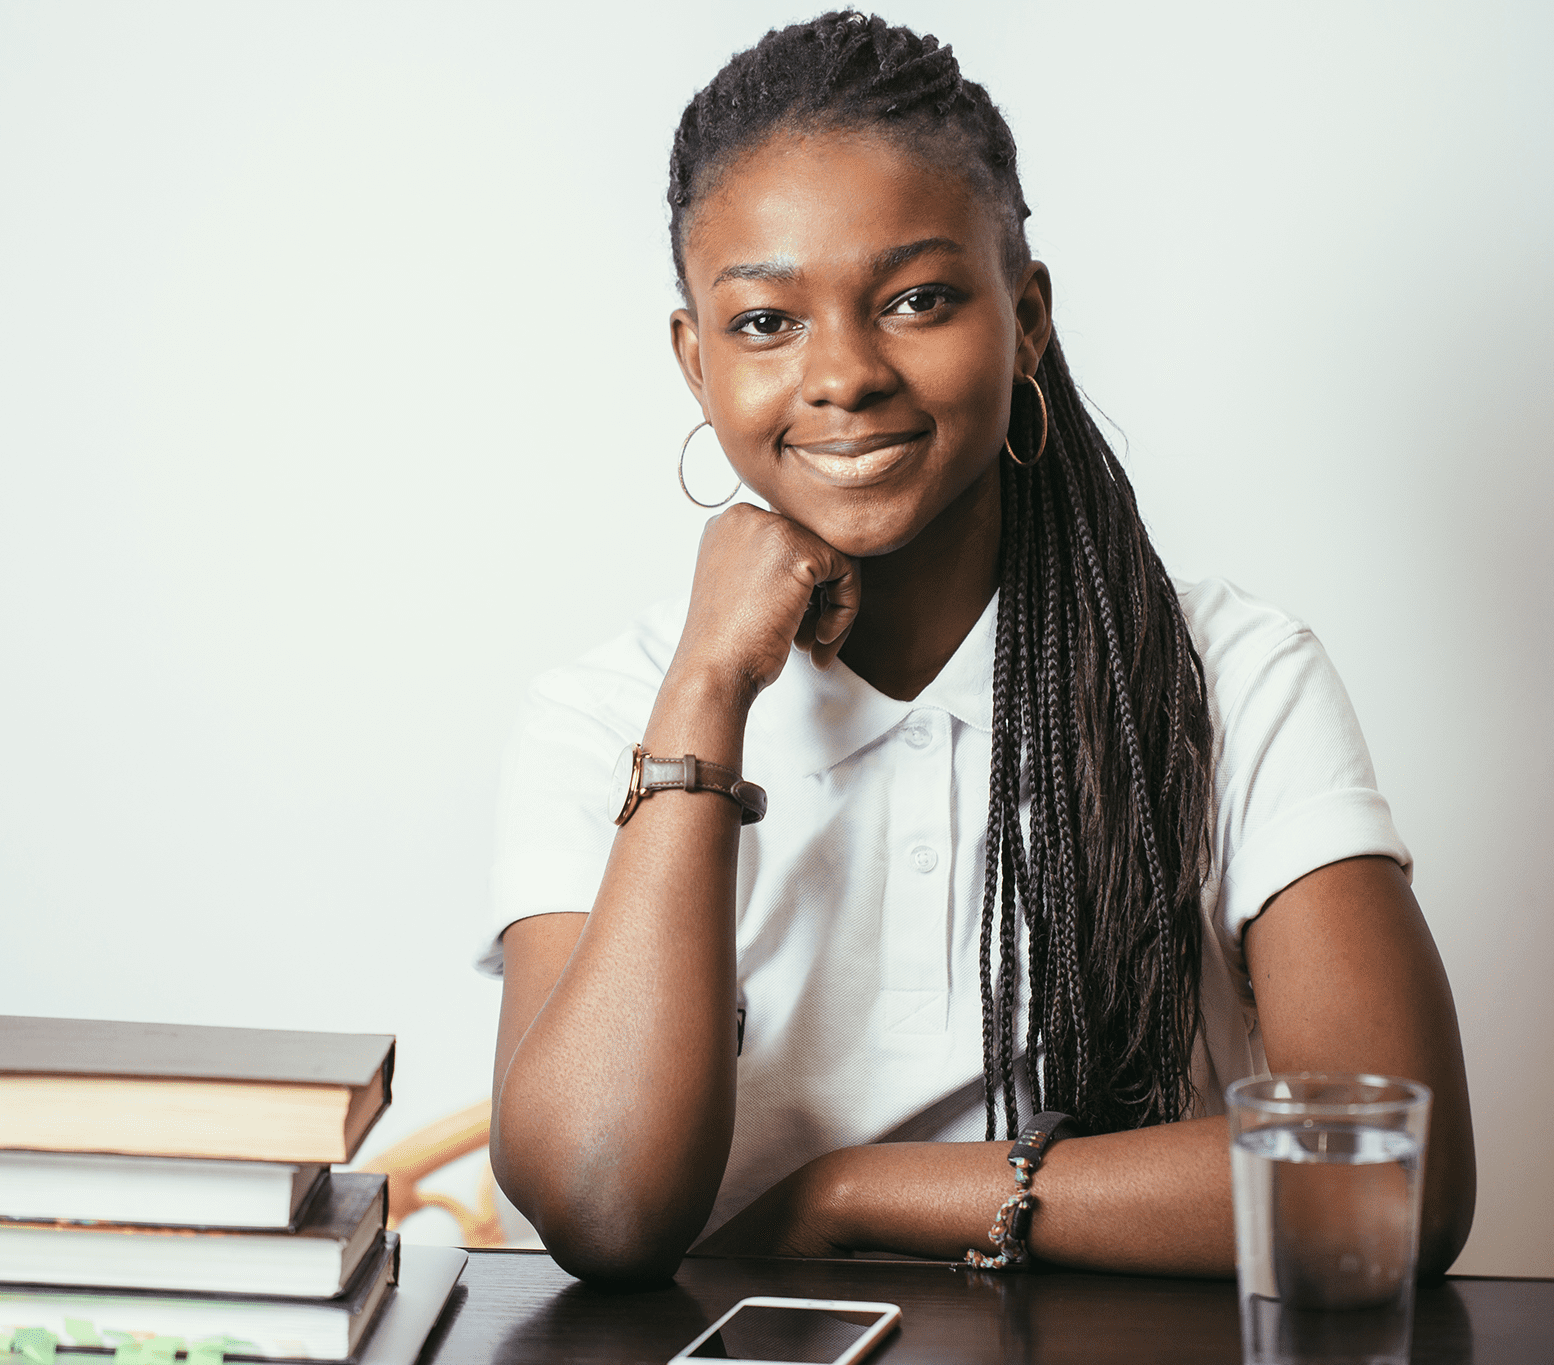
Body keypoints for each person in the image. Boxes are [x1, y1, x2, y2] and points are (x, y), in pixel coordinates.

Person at [478, 11, 1474, 1286]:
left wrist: (849, 1196)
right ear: (694, 360)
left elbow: (1382, 1183)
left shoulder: (1231, 673)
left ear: (1027, 316)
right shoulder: (601, 713)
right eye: (765, 323)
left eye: (916, 300)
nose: (842, 374)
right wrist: (708, 688)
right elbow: (605, 1207)